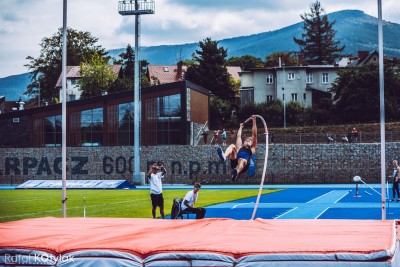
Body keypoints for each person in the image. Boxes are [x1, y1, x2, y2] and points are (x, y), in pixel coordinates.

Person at [217, 115, 257, 182]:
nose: (248, 141)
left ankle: (236, 173)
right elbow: (238, 136)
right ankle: (224, 156)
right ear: (244, 142)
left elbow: (254, 135)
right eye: (247, 140)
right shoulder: (240, 147)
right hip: (235, 162)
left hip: (243, 166)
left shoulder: (252, 149)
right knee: (233, 146)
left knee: (242, 160)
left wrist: (254, 121)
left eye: (250, 140)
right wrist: (241, 127)